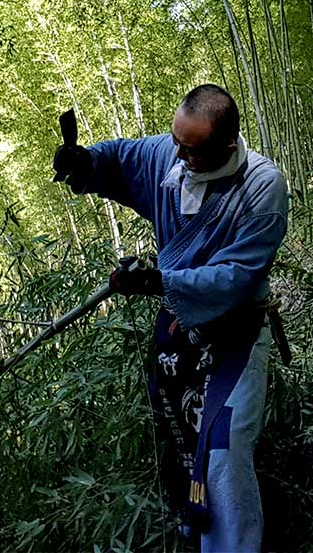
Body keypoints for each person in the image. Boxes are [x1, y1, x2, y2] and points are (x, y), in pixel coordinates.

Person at [53, 84, 289, 552]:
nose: (178, 155)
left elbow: (238, 275)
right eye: (176, 141)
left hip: (236, 331)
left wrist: (163, 282)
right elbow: (119, 159)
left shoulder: (263, 186)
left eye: (191, 148)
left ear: (225, 143)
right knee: (181, 440)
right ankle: (194, 533)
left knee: (223, 448)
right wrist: (85, 164)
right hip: (180, 328)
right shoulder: (171, 152)